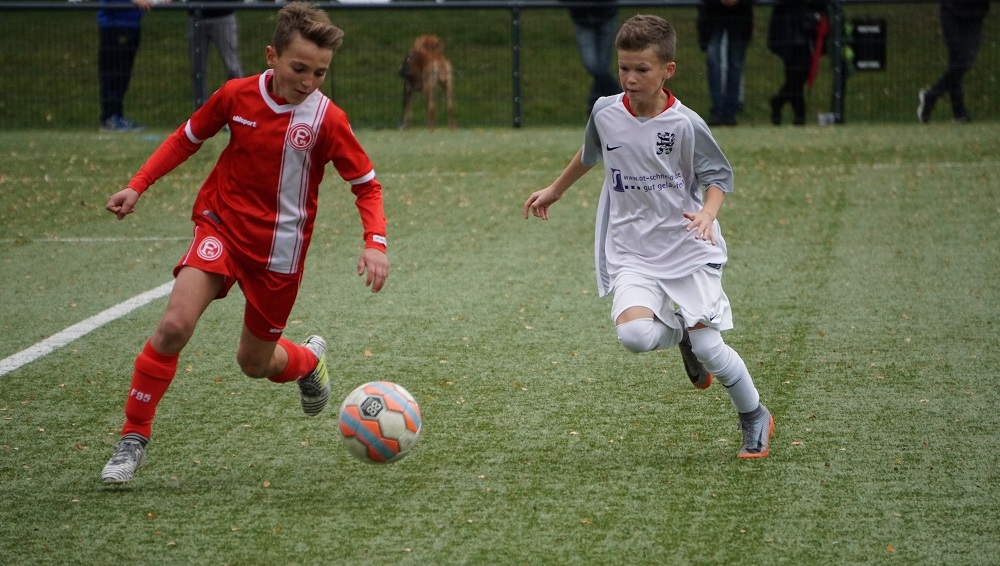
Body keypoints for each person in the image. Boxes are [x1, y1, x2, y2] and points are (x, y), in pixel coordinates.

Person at [100, 1, 390, 483]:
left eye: (320, 73)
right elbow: (187, 138)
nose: (308, 81)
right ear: (271, 56)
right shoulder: (236, 95)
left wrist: (374, 241)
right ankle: (133, 438)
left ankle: (308, 362)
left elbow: (367, 185)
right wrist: (138, 184)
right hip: (222, 227)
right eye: (299, 68)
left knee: (254, 363)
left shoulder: (328, 120)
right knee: (173, 326)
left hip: (279, 252)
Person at [523, 14, 773, 459]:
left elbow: (718, 177)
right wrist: (555, 190)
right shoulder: (605, 111)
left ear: (667, 70)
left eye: (642, 69)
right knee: (635, 336)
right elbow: (590, 153)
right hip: (632, 249)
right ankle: (680, 336)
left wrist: (707, 214)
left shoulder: (685, 124)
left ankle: (753, 414)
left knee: (711, 347)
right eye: (624, 68)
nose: (630, 78)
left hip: (686, 247)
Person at [97, 0, 166, 131]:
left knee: (123, 74)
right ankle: (109, 117)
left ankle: (117, 115)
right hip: (114, 24)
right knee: (112, 72)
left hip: (132, 23)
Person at [918, 1, 990, 124]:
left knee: (965, 60)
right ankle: (959, 113)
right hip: (951, 11)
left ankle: (932, 96)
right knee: (957, 61)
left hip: (976, 15)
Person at [766, 0, 828, 125]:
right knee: (794, 74)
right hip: (789, 26)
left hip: (807, 25)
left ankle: (780, 102)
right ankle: (799, 114)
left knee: (798, 75)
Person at [697, 0, 754, 126]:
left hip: (739, 14)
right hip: (713, 13)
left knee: (734, 63)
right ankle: (718, 109)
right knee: (715, 62)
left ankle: (729, 111)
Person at [562, 0, 623, 115]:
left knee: (602, 67)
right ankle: (621, 98)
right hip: (583, 21)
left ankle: (594, 107)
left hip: (607, 16)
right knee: (593, 65)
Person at [188, 0, 245, 111]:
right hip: (196, 15)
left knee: (233, 68)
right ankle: (201, 113)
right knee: (197, 70)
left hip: (223, 14)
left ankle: (240, 109)